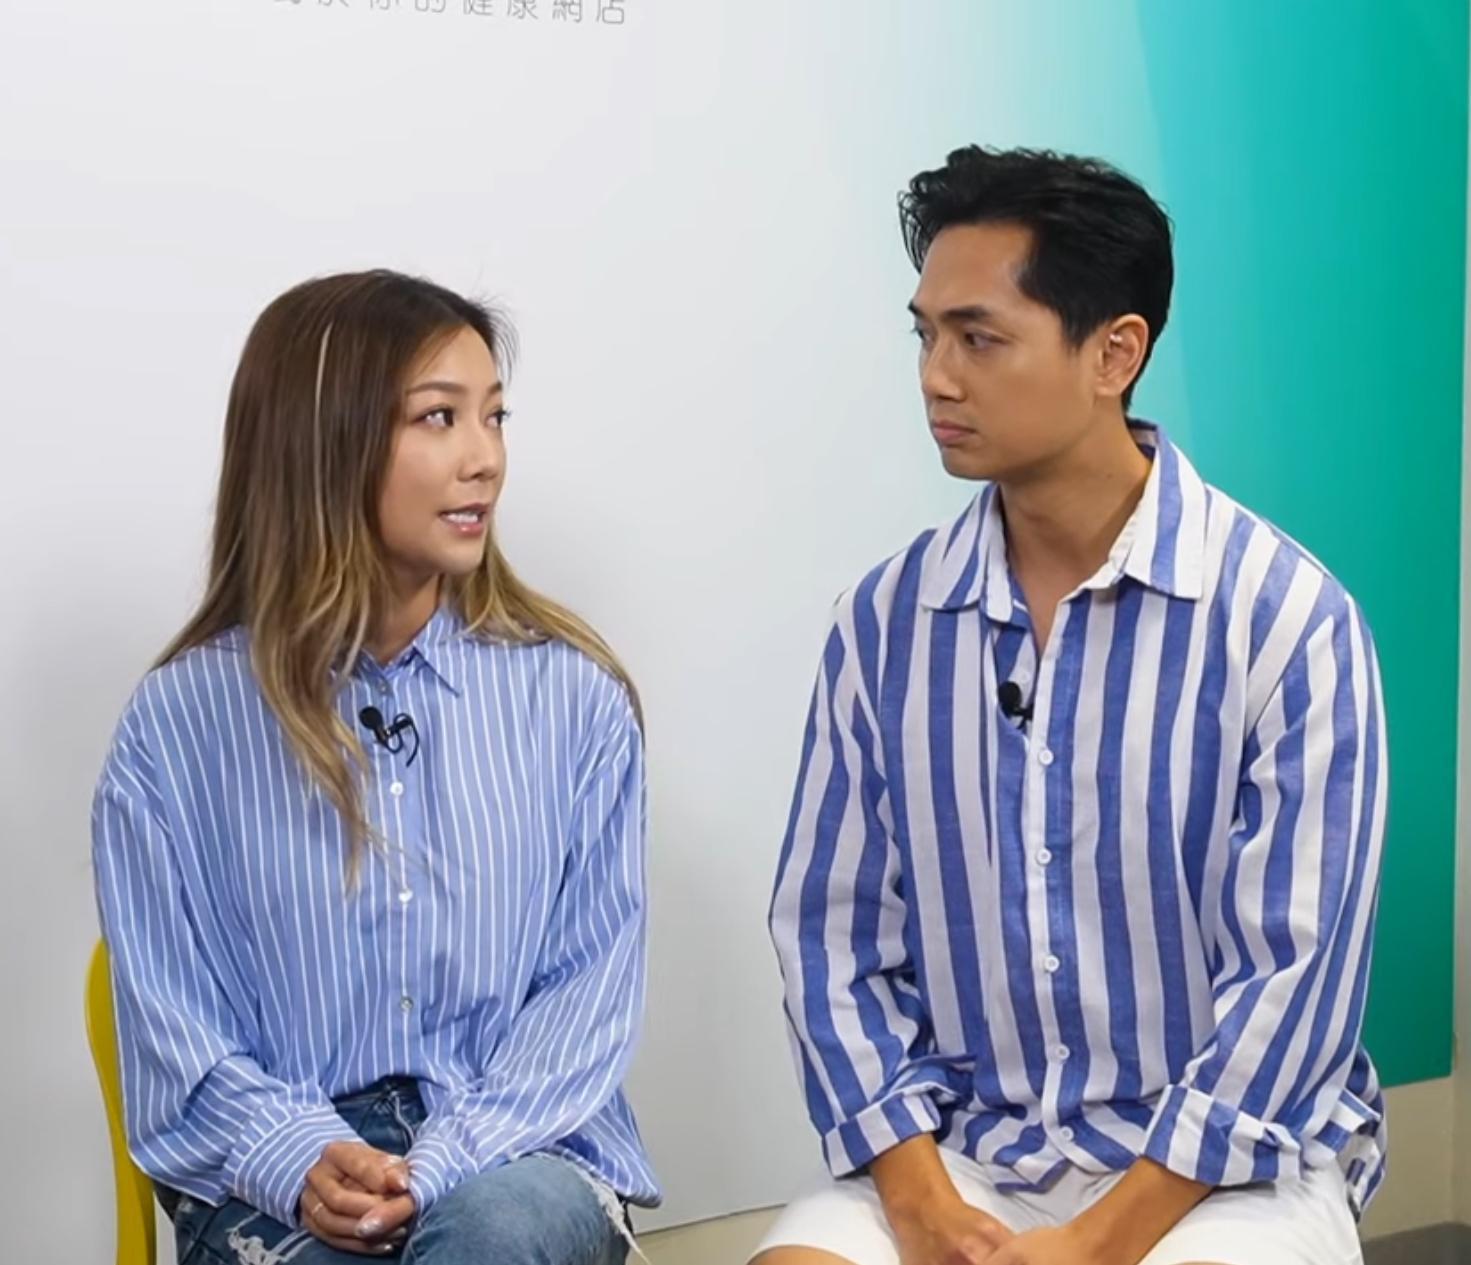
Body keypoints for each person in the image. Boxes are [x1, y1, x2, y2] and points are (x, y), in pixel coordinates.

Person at [759, 147, 1385, 1265]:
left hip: (1221, 1168)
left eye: (978, 338)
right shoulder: (882, 623)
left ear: (1114, 353)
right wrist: (921, 1201)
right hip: (963, 1147)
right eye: (925, 336)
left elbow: (1293, 985)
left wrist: (1096, 1242)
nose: (935, 377)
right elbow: (832, 937)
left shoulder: (1287, 620)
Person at [92, 269, 657, 1264]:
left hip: (515, 1145)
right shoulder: (176, 725)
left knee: (490, 1236)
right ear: (325, 440)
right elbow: (171, 1023)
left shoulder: (576, 699)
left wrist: (440, 1162)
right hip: (274, 1164)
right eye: (439, 417)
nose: (484, 458)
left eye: (493, 416)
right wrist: (298, 1153)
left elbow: (584, 1000)